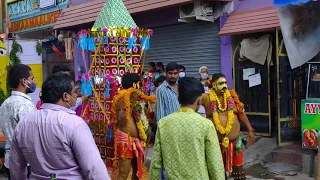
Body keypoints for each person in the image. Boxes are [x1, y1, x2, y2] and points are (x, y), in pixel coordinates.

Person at [9, 72, 110, 179]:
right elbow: (94, 168)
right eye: (75, 92)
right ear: (66, 96)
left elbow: (16, 165)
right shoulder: (75, 124)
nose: (77, 95)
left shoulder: (24, 123)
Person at [150, 77, 225, 180]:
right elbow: (215, 164)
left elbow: (156, 164)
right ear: (200, 100)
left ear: (178, 99)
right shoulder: (206, 125)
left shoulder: (163, 124)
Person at [202, 73, 255, 179]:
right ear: (213, 85)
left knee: (239, 173)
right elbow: (194, 93)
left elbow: (241, 113)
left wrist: (250, 129)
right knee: (218, 174)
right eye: (221, 83)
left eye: (225, 83)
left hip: (235, 143)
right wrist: (207, 82)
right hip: (216, 144)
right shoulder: (207, 98)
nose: (224, 86)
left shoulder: (231, 96)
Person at [110, 73, 156, 180]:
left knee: (137, 171)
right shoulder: (121, 99)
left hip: (137, 141)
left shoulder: (137, 99)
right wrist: (129, 104)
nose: (141, 86)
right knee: (123, 173)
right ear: (133, 85)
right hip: (126, 141)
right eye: (139, 83)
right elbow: (121, 120)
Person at [0, 64, 36, 180]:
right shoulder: (25, 105)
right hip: (25, 162)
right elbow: (30, 136)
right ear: (24, 81)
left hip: (10, 160)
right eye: (32, 78)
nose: (34, 82)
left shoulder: (5, 103)